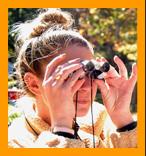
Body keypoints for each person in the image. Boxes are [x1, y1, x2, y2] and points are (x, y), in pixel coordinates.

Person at [8, 9, 137, 148]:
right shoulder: (14, 141)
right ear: (34, 84)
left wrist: (124, 121)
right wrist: (62, 131)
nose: (87, 87)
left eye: (91, 73)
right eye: (71, 74)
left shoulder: (102, 120)